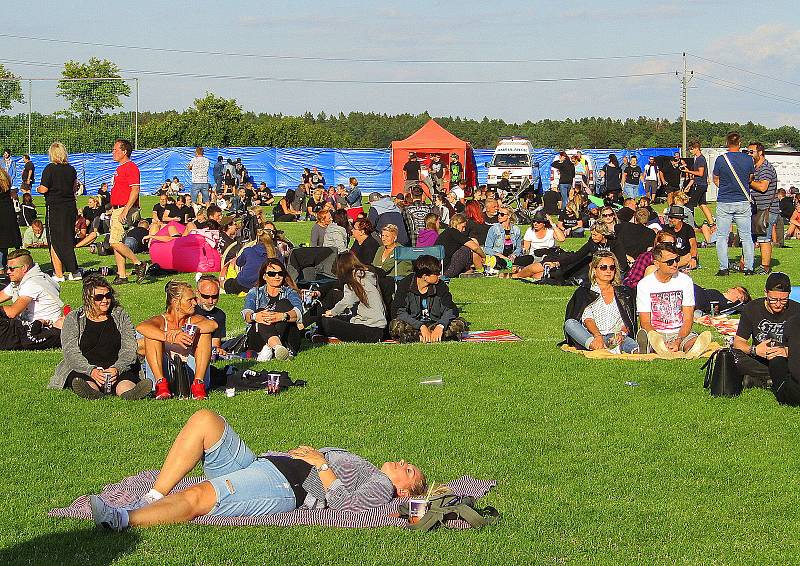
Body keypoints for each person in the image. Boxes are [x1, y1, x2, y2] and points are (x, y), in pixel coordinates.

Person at [88, 408, 427, 531]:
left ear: (403, 491)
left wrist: (322, 465)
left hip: (282, 486)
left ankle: (122, 519)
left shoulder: (381, 485)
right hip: (261, 465)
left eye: (410, 471)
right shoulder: (371, 471)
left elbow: (349, 511)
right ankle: (153, 496)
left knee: (198, 495)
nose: (403, 463)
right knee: (206, 420)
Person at [49, 275, 150, 399]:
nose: (105, 300)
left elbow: (129, 348)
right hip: (85, 368)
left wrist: (117, 369)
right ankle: (93, 393)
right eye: (99, 297)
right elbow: (71, 352)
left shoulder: (120, 315)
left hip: (117, 367)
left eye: (108, 296)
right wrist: (91, 371)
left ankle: (130, 393)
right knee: (82, 380)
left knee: (125, 382)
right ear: (88, 299)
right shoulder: (73, 318)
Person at [137, 281, 216, 400]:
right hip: (166, 372)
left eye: (194, 299)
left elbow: (213, 325)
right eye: (190, 300)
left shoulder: (194, 319)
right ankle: (161, 384)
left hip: (190, 372)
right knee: (152, 336)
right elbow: (141, 327)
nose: (195, 303)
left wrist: (180, 331)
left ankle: (198, 384)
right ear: (176, 302)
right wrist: (170, 336)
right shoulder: (162, 320)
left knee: (204, 333)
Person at [635, 243, 712, 357]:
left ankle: (692, 348)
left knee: (691, 342)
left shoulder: (685, 281)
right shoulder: (645, 284)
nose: (675, 264)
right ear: (656, 263)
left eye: (677, 259)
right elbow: (645, 321)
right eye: (670, 262)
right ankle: (653, 347)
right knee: (652, 339)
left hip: (679, 332)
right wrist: (659, 339)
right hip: (655, 332)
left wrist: (678, 340)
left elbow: (688, 317)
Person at [732, 272, 798, 388]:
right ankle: (777, 379)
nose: (778, 304)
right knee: (731, 355)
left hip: (787, 360)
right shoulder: (751, 308)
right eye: (773, 299)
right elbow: (738, 342)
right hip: (760, 359)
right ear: (765, 292)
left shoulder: (797, 311)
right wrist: (754, 350)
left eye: (783, 300)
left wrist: (788, 352)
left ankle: (762, 380)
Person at [563, 252, 639, 353]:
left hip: (614, 335)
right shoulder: (585, 291)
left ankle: (634, 349)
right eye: (603, 267)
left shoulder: (624, 292)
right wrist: (597, 336)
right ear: (594, 270)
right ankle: (598, 346)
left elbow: (628, 320)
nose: (608, 271)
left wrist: (622, 333)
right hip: (591, 335)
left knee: (629, 344)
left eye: (612, 268)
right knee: (570, 324)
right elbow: (587, 319)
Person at [389, 255, 467, 343]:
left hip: (435, 323)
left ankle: (430, 337)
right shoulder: (405, 285)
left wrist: (440, 325)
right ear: (425, 276)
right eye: (436, 274)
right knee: (396, 325)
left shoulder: (440, 286)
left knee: (460, 323)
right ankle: (425, 337)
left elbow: (451, 310)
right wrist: (420, 326)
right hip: (414, 325)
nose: (439, 276)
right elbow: (398, 312)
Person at [312, 252, 387, 343]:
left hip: (370, 328)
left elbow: (348, 301)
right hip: (372, 326)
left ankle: (320, 333)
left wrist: (332, 312)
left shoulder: (355, 280)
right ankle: (322, 333)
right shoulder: (365, 276)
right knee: (335, 319)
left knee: (326, 322)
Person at [0, 249, 63, 350]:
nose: (8, 272)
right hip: (28, 326)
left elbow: (12, 312)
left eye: (12, 268)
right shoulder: (21, 279)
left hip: (42, 329)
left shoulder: (32, 283)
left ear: (24, 268)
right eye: (7, 267)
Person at [712, 131, 756, 276]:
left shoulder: (720, 159)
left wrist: (725, 187)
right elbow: (750, 178)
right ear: (740, 143)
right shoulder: (748, 159)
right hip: (743, 200)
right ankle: (749, 268)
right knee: (746, 237)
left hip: (724, 200)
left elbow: (715, 179)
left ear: (727, 143)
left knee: (722, 237)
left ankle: (724, 268)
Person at [242, 259, 302, 362]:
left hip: (287, 339)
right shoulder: (255, 292)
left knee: (284, 303)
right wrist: (255, 316)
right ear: (264, 276)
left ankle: (269, 349)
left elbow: (298, 313)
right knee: (261, 311)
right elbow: (246, 315)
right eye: (272, 274)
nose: (277, 276)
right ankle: (277, 348)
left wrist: (282, 316)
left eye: (280, 273)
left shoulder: (290, 292)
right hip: (258, 337)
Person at [36, 142, 80, 282]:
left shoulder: (49, 169)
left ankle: (59, 273)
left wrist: (37, 189)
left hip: (55, 207)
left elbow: (44, 189)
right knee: (67, 238)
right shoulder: (71, 169)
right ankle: (73, 270)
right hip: (69, 207)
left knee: (54, 240)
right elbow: (74, 188)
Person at [108, 139, 148, 285]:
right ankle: (122, 275)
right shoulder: (119, 168)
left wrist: (125, 210)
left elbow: (135, 190)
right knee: (118, 241)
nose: (113, 152)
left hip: (126, 208)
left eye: (115, 150)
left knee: (114, 241)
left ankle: (138, 264)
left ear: (124, 151)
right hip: (119, 207)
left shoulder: (130, 167)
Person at [747, 142, 779, 275]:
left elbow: (763, 187)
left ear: (760, 153)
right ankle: (744, 263)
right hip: (758, 209)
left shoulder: (766, 168)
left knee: (764, 238)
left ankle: (765, 267)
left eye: (751, 152)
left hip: (767, 209)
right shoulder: (755, 168)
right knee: (751, 237)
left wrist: (749, 181)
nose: (749, 154)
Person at [224, 229, 278, 294]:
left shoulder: (249, 250)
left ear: (257, 239)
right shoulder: (276, 253)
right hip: (263, 285)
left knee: (226, 283)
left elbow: (238, 263)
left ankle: (221, 281)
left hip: (243, 282)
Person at [435, 214, 485, 278]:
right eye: (463, 227)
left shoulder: (446, 233)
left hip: (440, 269)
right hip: (447, 270)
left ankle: (468, 271)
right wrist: (483, 256)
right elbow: (475, 247)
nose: (464, 230)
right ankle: (481, 271)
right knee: (468, 248)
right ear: (457, 224)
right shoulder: (454, 232)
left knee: (470, 243)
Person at [195, 275, 227, 358]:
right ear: (197, 293)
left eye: (214, 296)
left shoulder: (220, 315)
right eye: (206, 296)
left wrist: (216, 350)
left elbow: (215, 343)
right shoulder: (189, 310)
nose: (210, 301)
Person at [684, 141, 714, 226]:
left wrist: (688, 171)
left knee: (690, 205)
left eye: (691, 149)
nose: (690, 151)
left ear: (697, 148)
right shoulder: (697, 159)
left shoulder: (700, 159)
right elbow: (696, 175)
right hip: (701, 184)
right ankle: (712, 223)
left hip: (700, 185)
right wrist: (689, 185)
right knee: (702, 204)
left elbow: (700, 173)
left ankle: (691, 224)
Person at [484, 206, 522, 270]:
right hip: (499, 256)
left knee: (529, 258)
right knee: (497, 260)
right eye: (498, 213)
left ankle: (509, 264)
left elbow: (518, 248)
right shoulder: (494, 229)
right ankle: (507, 264)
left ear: (509, 216)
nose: (499, 216)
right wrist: (501, 256)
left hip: (511, 257)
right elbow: (487, 248)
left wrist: (513, 255)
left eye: (502, 214)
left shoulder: (516, 230)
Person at [0, 167, 22, 276]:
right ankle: (3, 267)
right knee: (4, 243)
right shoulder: (5, 177)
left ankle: (1, 267)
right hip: (7, 214)